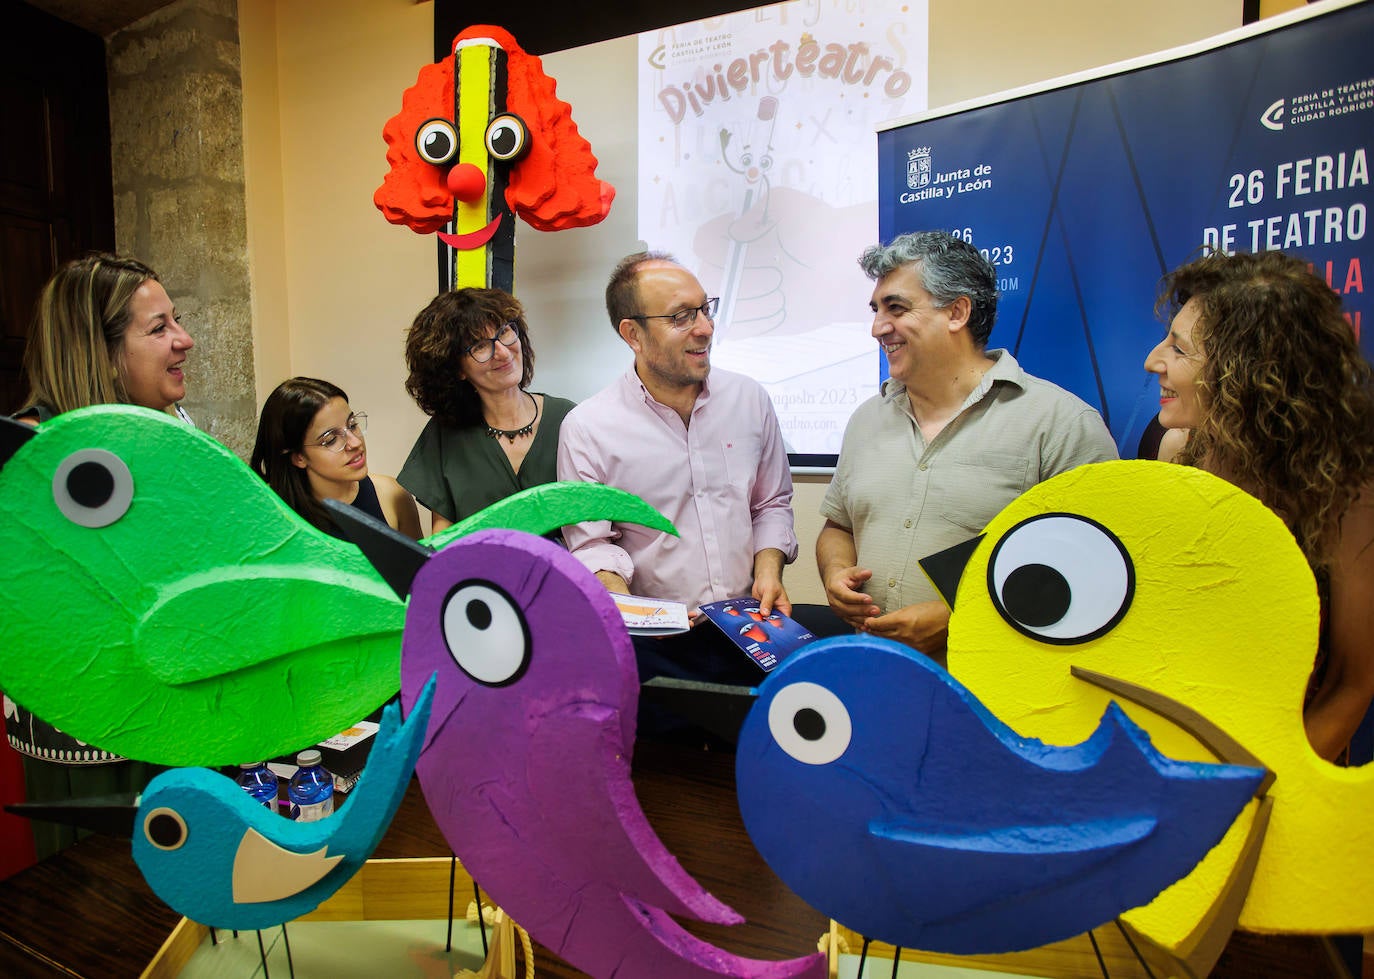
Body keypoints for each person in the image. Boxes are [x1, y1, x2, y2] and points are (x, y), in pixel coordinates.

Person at [817, 231, 1117, 663]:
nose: (878, 327)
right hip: (877, 679)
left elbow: (1091, 570)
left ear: (957, 312)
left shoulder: (1061, 424)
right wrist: (835, 573)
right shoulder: (867, 419)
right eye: (877, 309)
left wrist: (956, 617)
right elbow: (838, 526)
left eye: (896, 308)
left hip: (995, 699)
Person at [1145, 249, 1374, 763]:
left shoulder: (1350, 489)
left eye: (1179, 350)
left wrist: (1260, 790)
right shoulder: (1177, 448)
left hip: (1288, 762)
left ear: (1248, 369)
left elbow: (1349, 683)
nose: (1153, 361)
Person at [5, 252, 193, 858]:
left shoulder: (166, 430)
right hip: (92, 748)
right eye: (158, 328)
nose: (183, 341)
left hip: (177, 721)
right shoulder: (29, 458)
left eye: (177, 321)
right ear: (100, 350)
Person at [557, 250, 802, 687]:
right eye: (680, 317)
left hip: (752, 629)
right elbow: (593, 545)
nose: (705, 329)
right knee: (667, 757)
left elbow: (770, 503)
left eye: (705, 309)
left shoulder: (749, 400)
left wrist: (769, 570)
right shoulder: (589, 427)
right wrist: (635, 612)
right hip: (657, 646)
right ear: (632, 334)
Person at [399, 288, 575, 535]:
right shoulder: (445, 434)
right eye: (480, 346)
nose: (503, 352)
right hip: (479, 572)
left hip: (566, 571)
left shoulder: (568, 418)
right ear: (455, 368)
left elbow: (596, 522)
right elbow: (444, 537)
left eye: (504, 332)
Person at [251, 376, 421, 540]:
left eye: (352, 425)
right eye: (331, 439)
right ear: (298, 457)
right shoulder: (270, 518)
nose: (355, 443)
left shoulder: (392, 494)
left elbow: (423, 569)